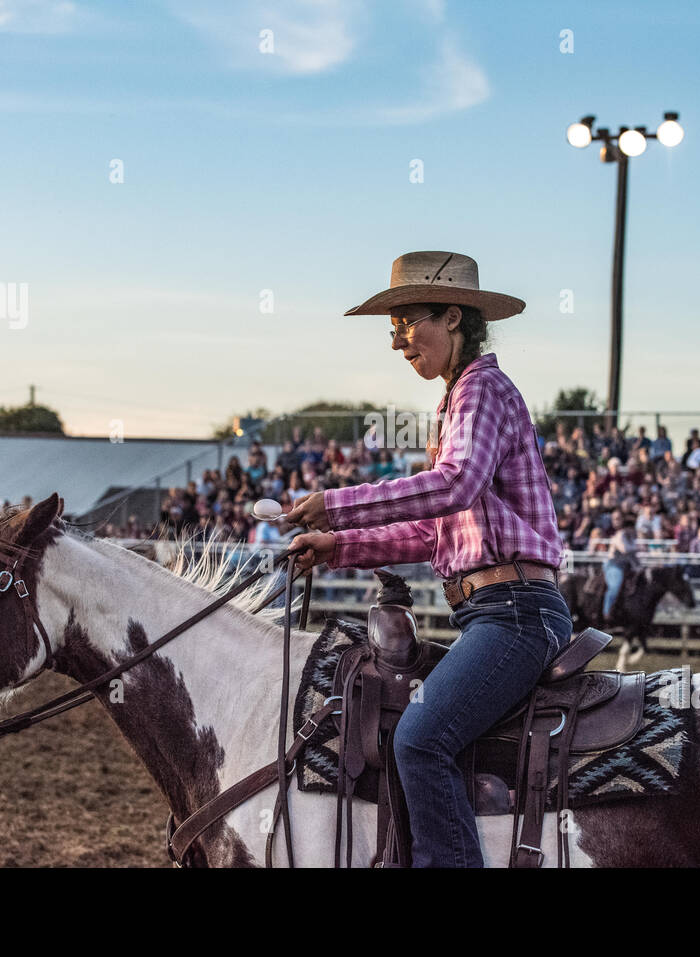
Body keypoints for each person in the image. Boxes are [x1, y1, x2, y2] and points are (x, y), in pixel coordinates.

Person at [285, 251, 568, 868]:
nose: (397, 342)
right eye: (393, 329)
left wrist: (337, 505)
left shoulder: (481, 389)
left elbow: (455, 484)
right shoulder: (461, 398)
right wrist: (341, 547)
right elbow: (434, 530)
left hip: (514, 614)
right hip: (501, 609)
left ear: (453, 316)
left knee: (419, 740)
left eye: (408, 322)